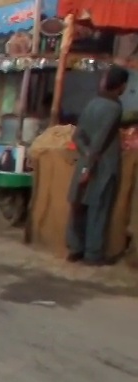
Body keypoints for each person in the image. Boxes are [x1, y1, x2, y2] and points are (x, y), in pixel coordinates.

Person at [67, 65, 129, 265]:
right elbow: (100, 142)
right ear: (121, 85)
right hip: (102, 167)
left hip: (87, 163)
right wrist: (90, 165)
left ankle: (75, 249)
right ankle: (93, 254)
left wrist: (85, 158)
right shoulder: (114, 108)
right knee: (98, 209)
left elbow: (78, 136)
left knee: (79, 207)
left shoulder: (92, 103)